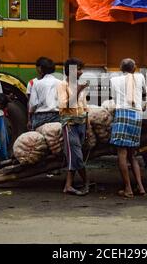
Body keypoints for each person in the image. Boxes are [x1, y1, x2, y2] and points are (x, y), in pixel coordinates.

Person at [110, 59, 147, 198]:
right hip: (137, 115)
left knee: (122, 153)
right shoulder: (140, 77)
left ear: (121, 68)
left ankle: (128, 189)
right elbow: (143, 92)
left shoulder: (114, 80)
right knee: (133, 154)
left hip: (122, 113)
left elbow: (114, 98)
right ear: (134, 68)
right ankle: (141, 187)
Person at [57, 58, 90, 196]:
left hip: (81, 124)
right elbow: (65, 105)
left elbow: (85, 108)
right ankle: (86, 182)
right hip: (70, 125)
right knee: (76, 156)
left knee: (75, 156)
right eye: (78, 69)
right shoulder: (62, 85)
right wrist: (78, 91)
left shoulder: (79, 85)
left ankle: (68, 185)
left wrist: (88, 127)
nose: (81, 72)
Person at [28, 58, 61, 130]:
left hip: (40, 118)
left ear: (40, 68)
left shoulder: (36, 83)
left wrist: (30, 119)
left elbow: (33, 104)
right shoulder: (60, 83)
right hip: (57, 117)